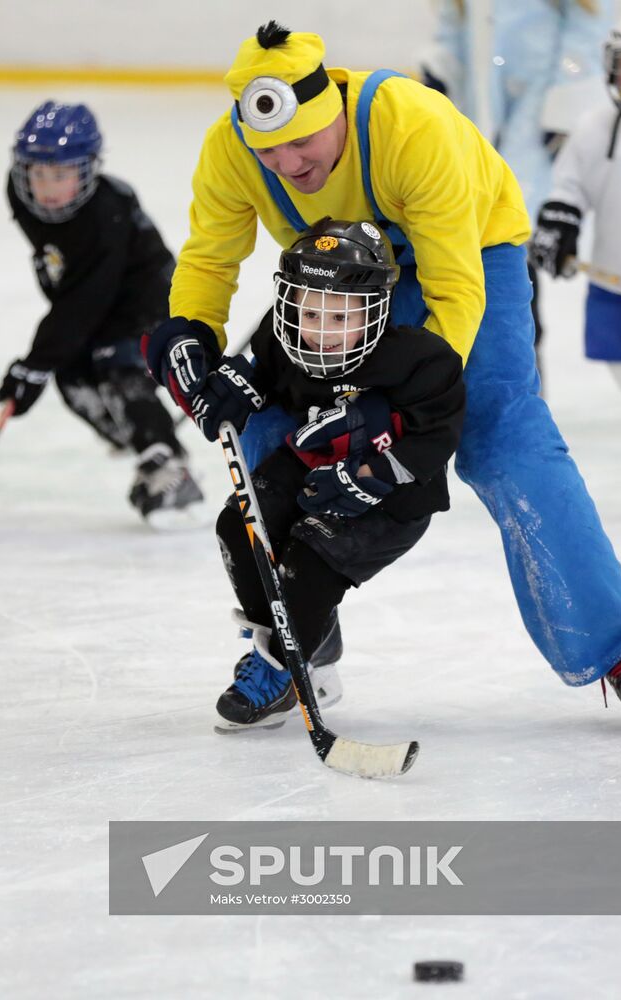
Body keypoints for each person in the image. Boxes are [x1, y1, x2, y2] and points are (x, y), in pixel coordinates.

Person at [143, 21, 621, 714]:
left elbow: (452, 291)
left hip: (471, 259)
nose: (287, 164)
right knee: (263, 426)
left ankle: (611, 644)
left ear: (333, 108)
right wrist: (191, 337)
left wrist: (401, 405)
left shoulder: (414, 126)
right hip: (337, 284)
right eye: (269, 150)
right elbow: (211, 260)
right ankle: (295, 642)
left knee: (500, 437)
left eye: (301, 142)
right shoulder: (233, 148)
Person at [190, 218, 465, 728]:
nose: (320, 331)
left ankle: (281, 671)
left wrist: (370, 475)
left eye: (341, 318)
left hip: (393, 500)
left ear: (376, 309)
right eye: (310, 313)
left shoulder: (421, 361)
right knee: (239, 527)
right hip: (311, 466)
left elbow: (437, 436)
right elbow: (258, 374)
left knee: (311, 557)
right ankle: (290, 646)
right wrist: (231, 387)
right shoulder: (284, 341)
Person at [0, 100, 205, 527]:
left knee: (117, 363)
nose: (47, 188)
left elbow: (85, 299)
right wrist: (45, 364)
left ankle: (168, 463)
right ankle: (139, 437)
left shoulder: (104, 214)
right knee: (71, 375)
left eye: (60, 175)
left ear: (88, 170)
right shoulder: (19, 193)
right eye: (37, 173)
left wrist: (34, 363)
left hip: (144, 294)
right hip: (92, 288)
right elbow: (67, 270)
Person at [418, 0, 614, 376]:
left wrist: (565, 99)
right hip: (478, 106)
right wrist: (440, 71)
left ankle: (522, 368)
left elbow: (587, 27)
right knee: (463, 232)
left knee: (513, 230)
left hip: (538, 107)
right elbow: (453, 27)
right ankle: (470, 366)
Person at [531, 3, 621, 505]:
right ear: (613, 69)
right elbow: (569, 185)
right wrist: (559, 224)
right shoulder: (596, 125)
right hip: (612, 280)